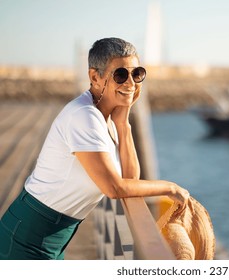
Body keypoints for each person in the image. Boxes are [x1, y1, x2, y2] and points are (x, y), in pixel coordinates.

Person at [0, 37, 190, 260]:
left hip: (54, 234)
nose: (131, 84)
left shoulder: (106, 117)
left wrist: (123, 123)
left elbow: (131, 178)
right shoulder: (84, 117)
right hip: (28, 235)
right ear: (94, 77)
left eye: (137, 74)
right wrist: (170, 187)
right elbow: (114, 188)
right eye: (121, 75)